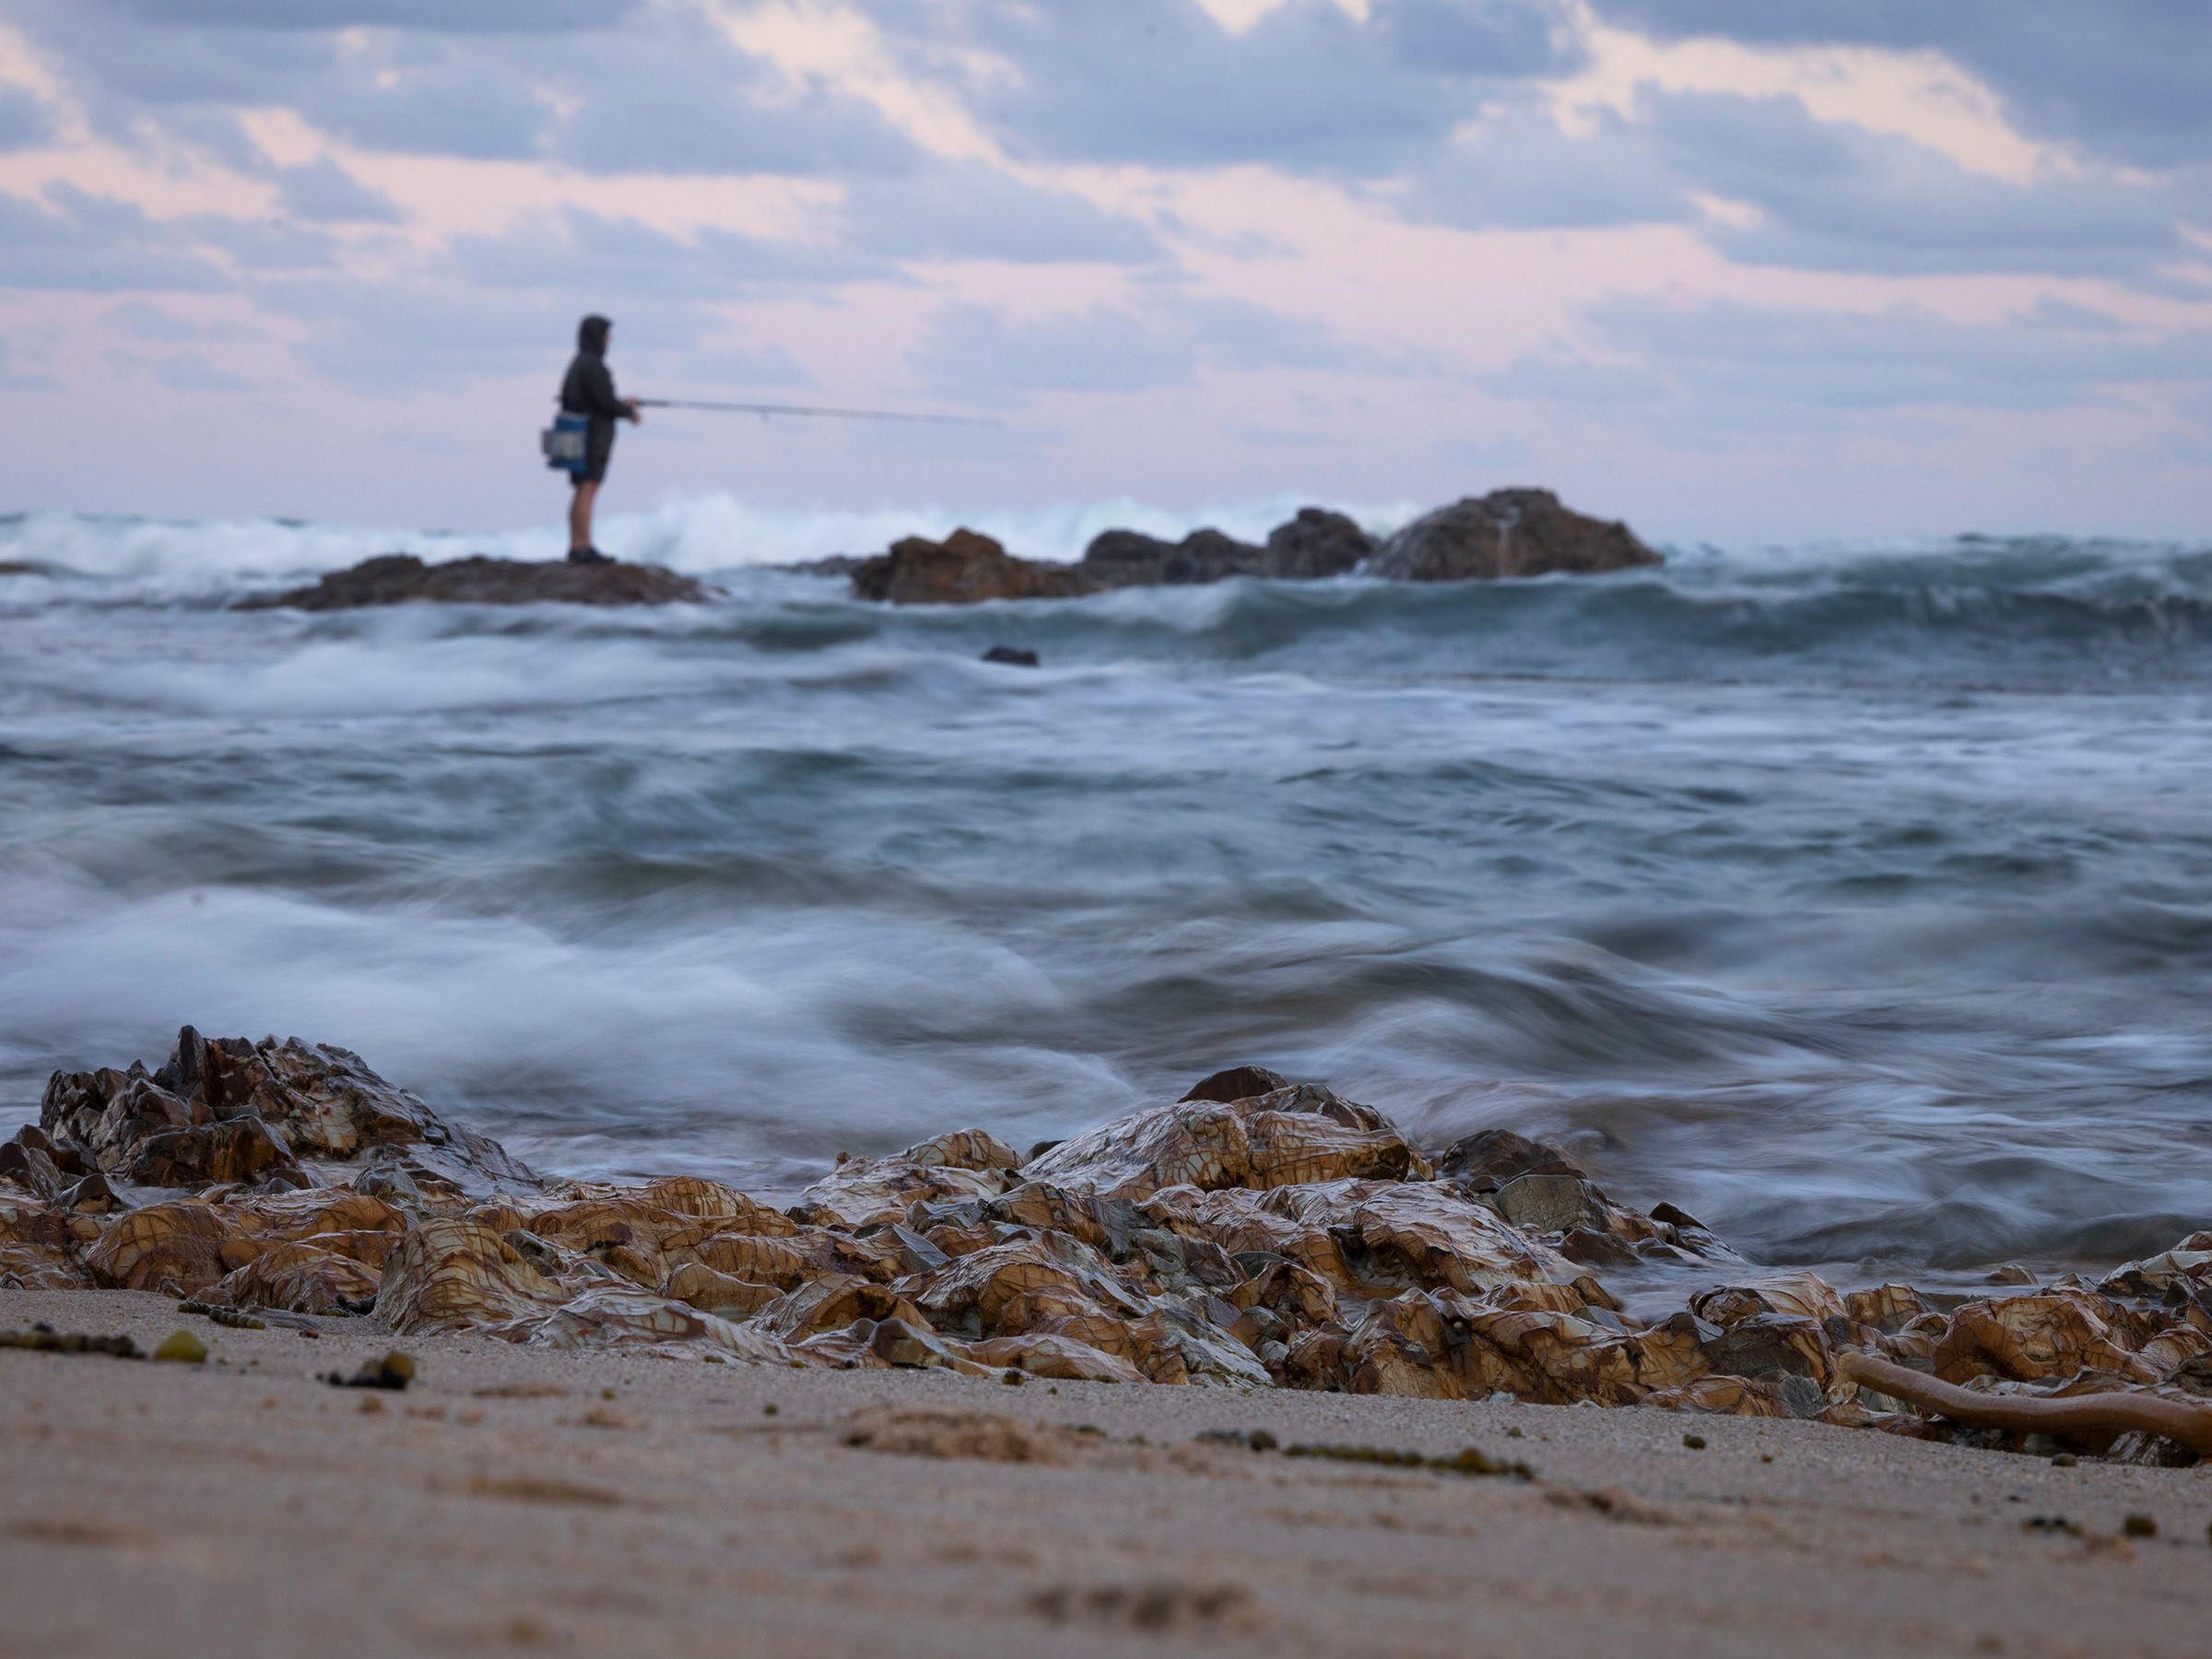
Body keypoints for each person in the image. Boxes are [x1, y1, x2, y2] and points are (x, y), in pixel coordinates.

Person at [559, 313, 641, 564]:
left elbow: (587, 398)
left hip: (578, 434)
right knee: (589, 487)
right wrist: (629, 411)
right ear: (598, 336)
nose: (609, 339)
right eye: (606, 334)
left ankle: (577, 545)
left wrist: (621, 405)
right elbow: (605, 402)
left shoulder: (577, 363)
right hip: (593, 436)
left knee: (582, 489)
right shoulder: (594, 366)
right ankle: (583, 547)